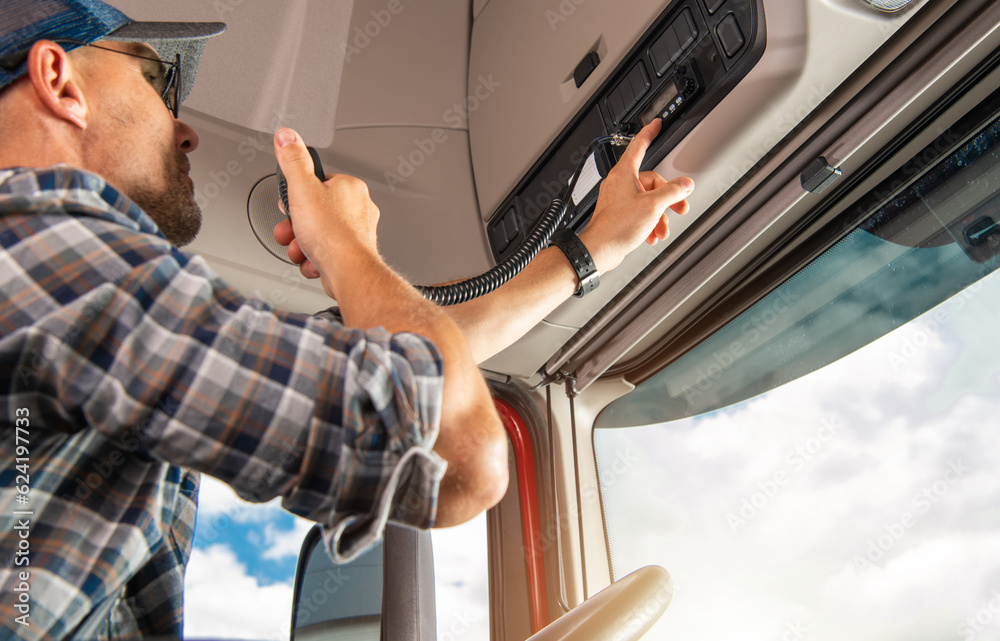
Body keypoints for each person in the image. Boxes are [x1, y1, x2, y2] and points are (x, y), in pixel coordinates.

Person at [0, 0, 693, 639]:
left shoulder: (58, 281)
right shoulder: (36, 238)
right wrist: (344, 244)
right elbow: (453, 447)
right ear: (60, 78)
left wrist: (588, 250)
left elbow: (396, 370)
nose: (183, 130)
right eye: (161, 83)